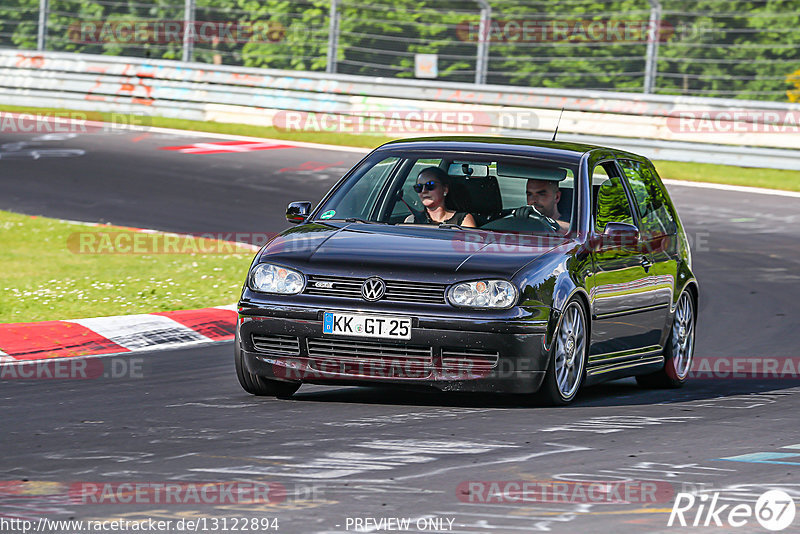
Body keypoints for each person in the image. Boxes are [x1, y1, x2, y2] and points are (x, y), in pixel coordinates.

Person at [404, 167, 476, 227]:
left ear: (445, 189)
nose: (423, 191)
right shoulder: (411, 221)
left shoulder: (463, 220)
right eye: (419, 187)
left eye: (430, 185)